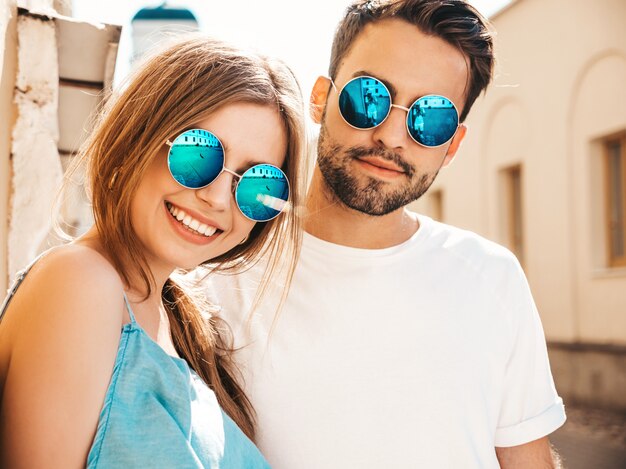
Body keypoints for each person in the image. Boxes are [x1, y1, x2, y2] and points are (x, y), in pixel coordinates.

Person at [205, 1, 567, 468]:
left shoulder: (491, 279)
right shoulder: (218, 277)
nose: (393, 135)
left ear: (452, 145)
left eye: (430, 118)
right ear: (320, 98)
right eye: (368, 97)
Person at [0, 34, 305, 468]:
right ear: (139, 134)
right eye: (198, 154)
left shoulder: (179, 328)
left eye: (259, 183)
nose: (218, 198)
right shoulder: (81, 282)